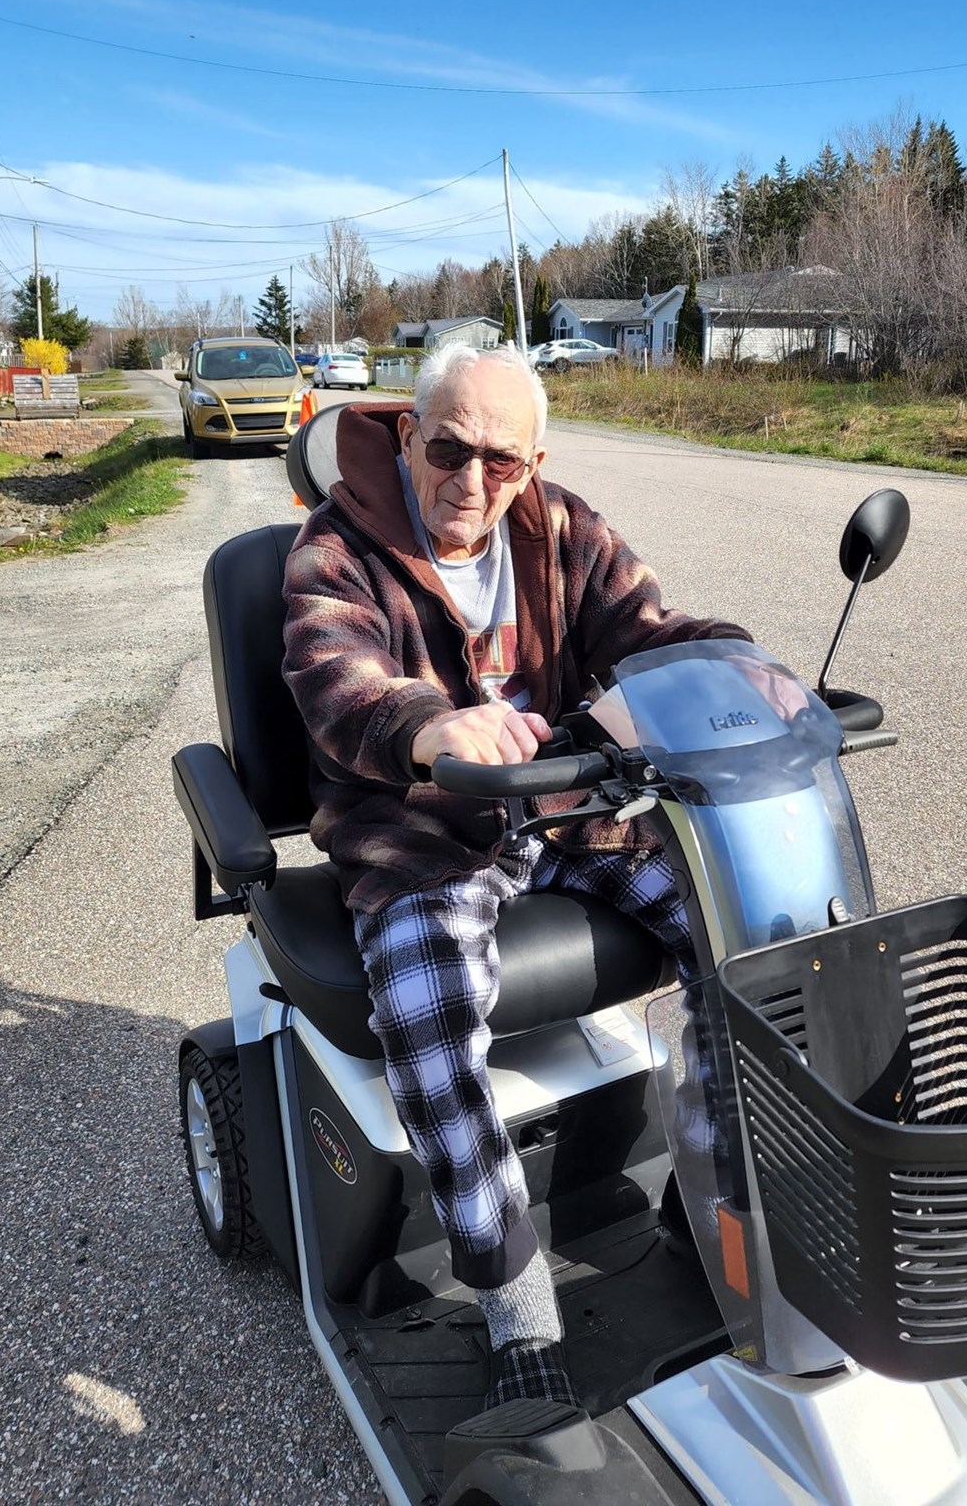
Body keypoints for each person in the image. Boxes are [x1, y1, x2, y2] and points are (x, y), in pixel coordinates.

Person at [282, 343, 751, 1410]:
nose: (474, 482)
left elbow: (648, 631)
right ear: (409, 433)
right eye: (450, 449)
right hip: (418, 822)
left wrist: (741, 669)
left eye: (504, 462)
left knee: (742, 929)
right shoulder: (334, 545)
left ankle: (717, 1191)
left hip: (569, 811)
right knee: (430, 1005)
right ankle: (509, 1288)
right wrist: (429, 721)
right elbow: (335, 677)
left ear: (534, 462)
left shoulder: (562, 528)